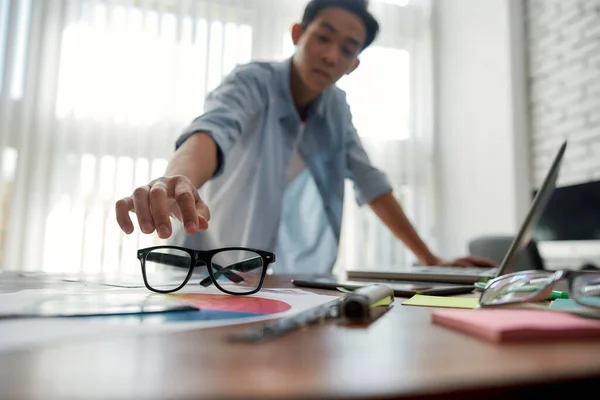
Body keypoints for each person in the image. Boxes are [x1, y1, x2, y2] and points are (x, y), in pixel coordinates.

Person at [115, 0, 496, 274]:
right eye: (323, 38)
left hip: (288, 280)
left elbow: (371, 183)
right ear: (298, 34)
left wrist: (430, 259)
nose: (331, 55)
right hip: (207, 267)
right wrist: (175, 179)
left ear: (354, 65)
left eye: (347, 49)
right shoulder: (252, 81)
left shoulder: (337, 108)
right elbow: (212, 132)